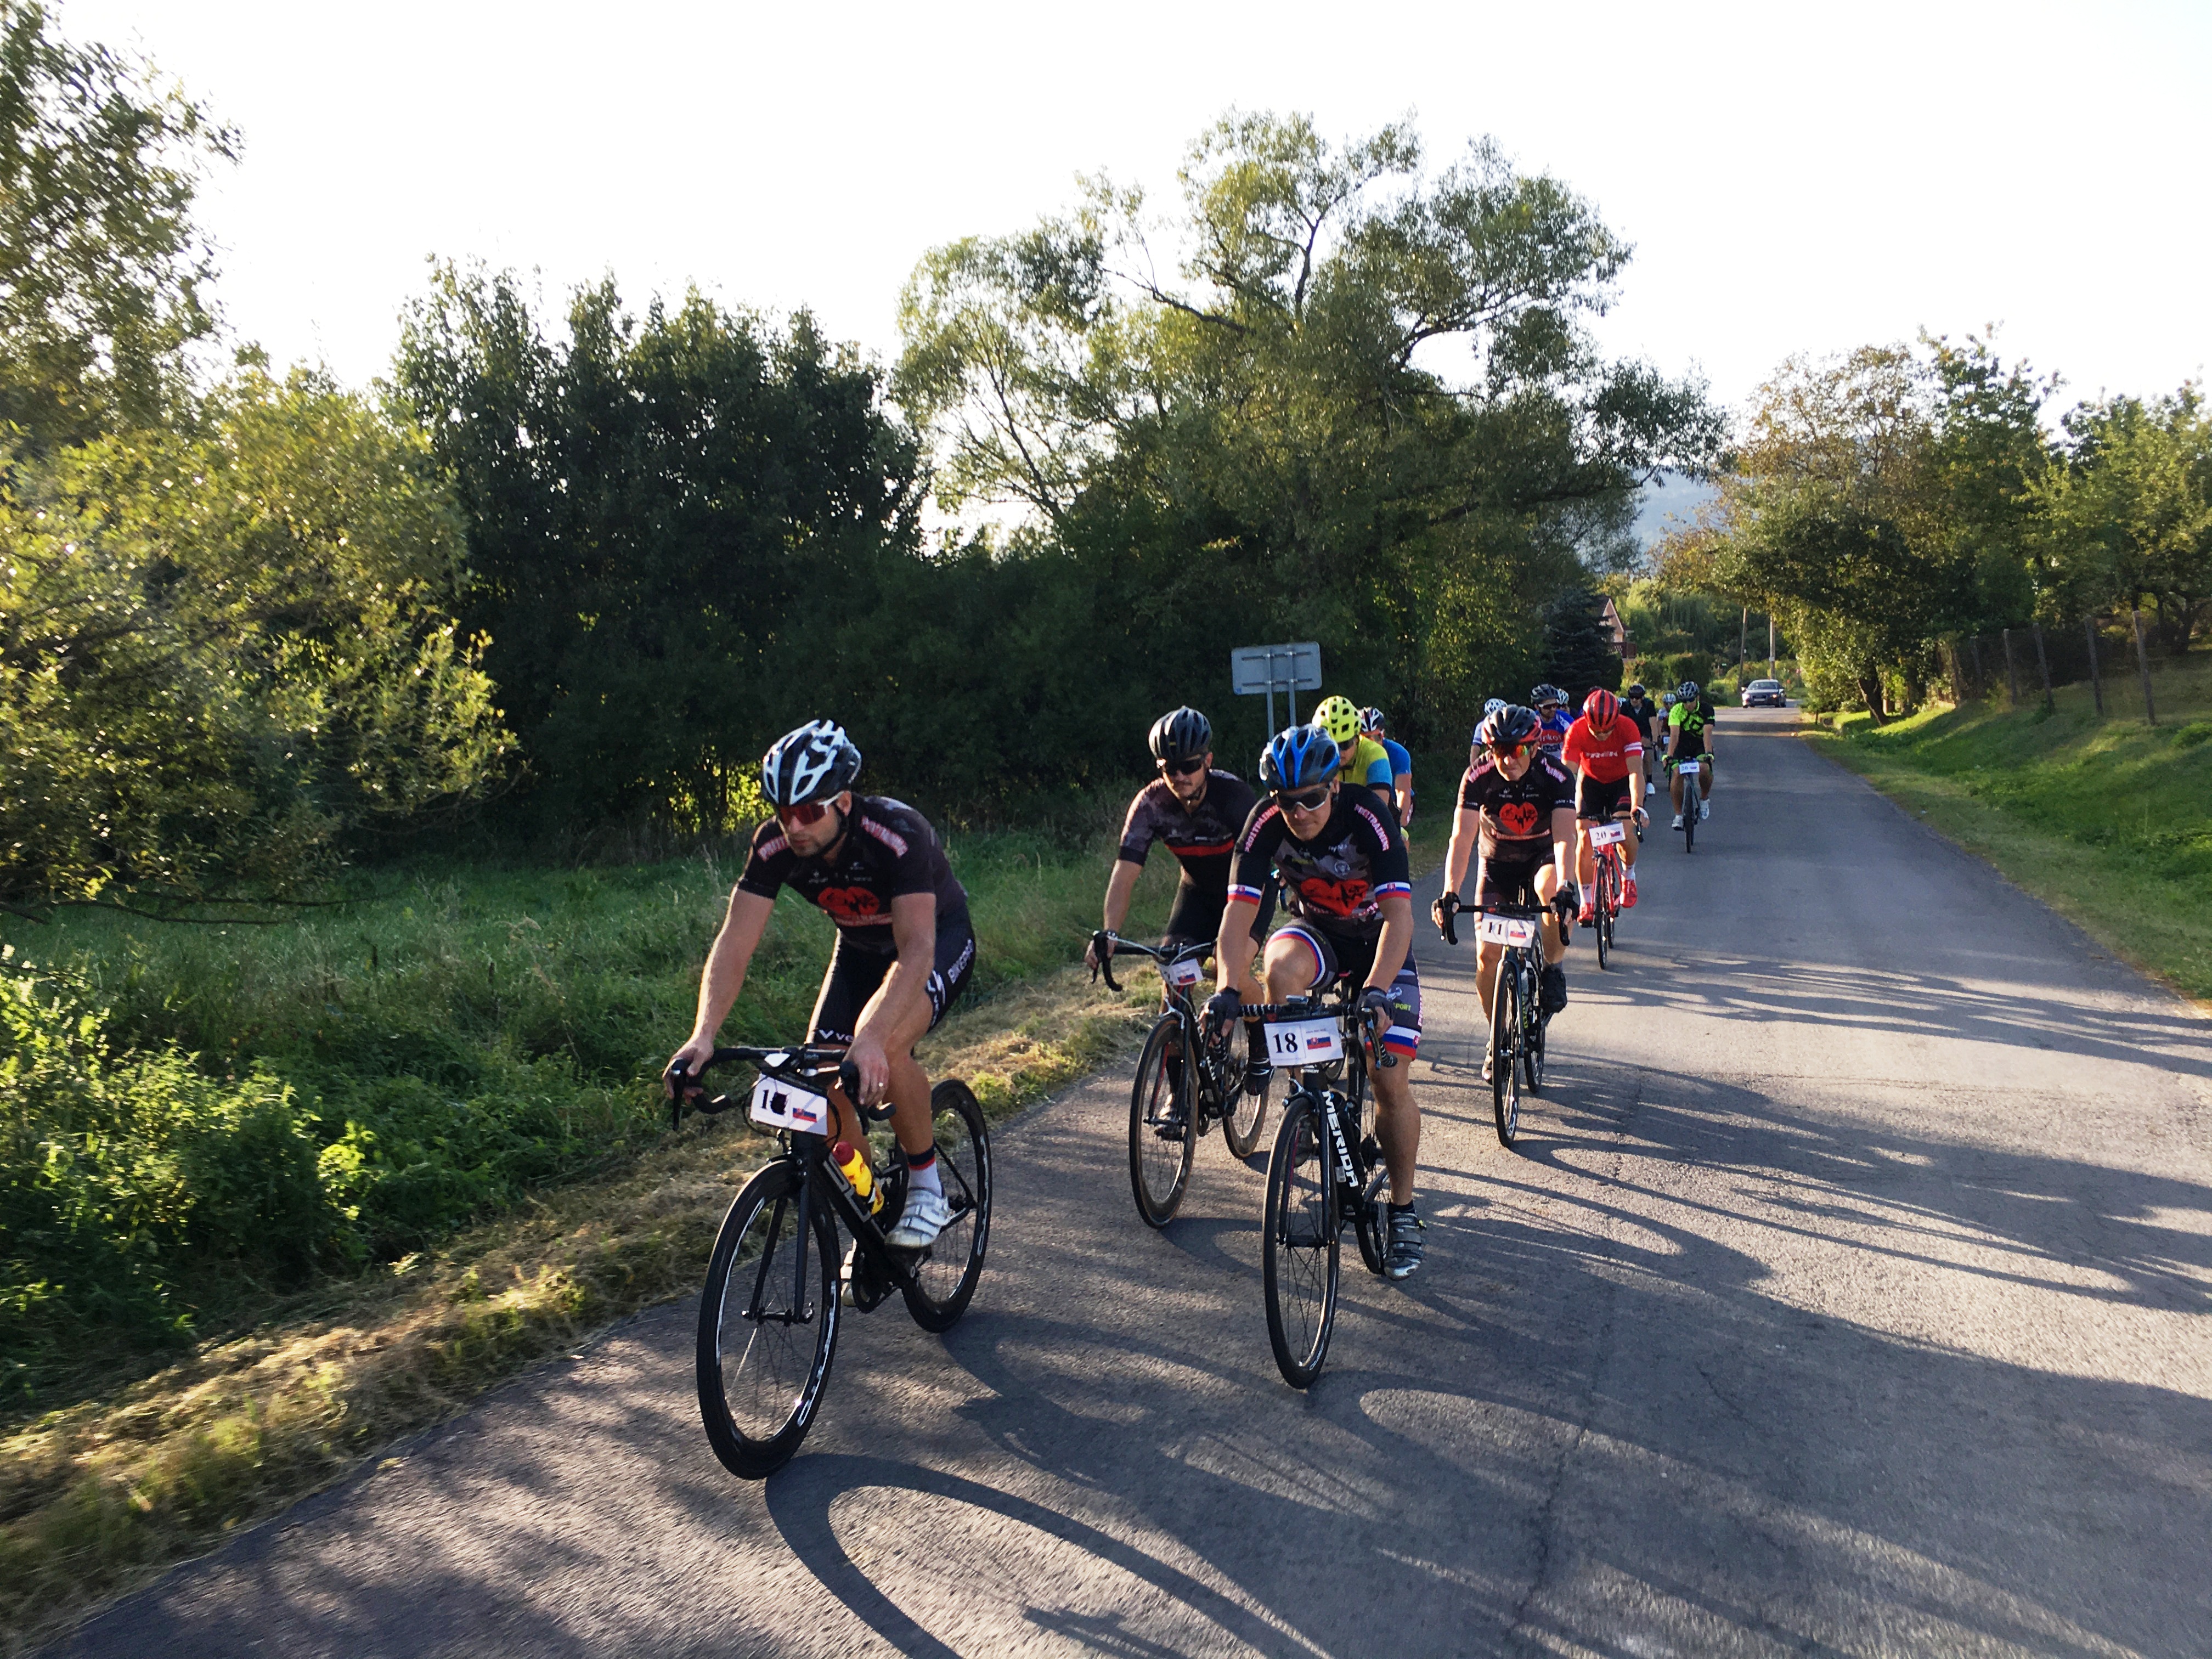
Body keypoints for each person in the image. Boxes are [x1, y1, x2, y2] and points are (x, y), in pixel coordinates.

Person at [664, 721, 975, 1250]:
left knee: (886, 1046)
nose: (794, 826)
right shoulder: (774, 847)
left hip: (934, 942)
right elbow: (735, 942)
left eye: (809, 812)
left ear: (844, 803)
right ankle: (870, 1207)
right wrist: (704, 1034)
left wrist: (871, 1036)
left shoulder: (896, 834)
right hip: (859, 950)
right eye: (783, 812)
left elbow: (917, 951)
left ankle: (927, 1186)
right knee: (822, 1079)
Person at [1206, 724, 1426, 1279]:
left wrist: (1377, 989)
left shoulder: (1368, 816)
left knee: (1387, 1079)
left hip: (1381, 943)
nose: (1298, 812)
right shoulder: (1263, 823)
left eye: (1310, 798)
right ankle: (1307, 1098)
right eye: (1286, 801)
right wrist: (1228, 988)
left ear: (1333, 787)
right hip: (1320, 933)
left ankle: (1403, 1210)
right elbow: (1238, 917)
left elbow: (1400, 917)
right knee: (1278, 968)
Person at [1087, 706, 1268, 1132]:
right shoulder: (1151, 803)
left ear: (1208, 760)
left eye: (1190, 766)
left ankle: (1260, 1041)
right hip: (1197, 893)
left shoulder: (1233, 797)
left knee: (1231, 968)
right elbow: (1125, 873)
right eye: (1170, 768)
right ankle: (1177, 1093)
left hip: (1247, 893)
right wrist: (1110, 932)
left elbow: (1265, 858)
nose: (1181, 776)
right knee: (1173, 979)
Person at [1434, 704, 1575, 1079]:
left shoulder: (1556, 775)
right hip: (1497, 862)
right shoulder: (1478, 776)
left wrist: (1567, 885)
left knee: (1551, 892)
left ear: (1535, 747)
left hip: (1542, 856)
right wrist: (1450, 891)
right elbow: (1461, 838)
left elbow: (1565, 837)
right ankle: (1496, 1036)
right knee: (1487, 956)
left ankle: (1552, 967)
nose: (1508, 760)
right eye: (1498, 750)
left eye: (1517, 750)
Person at [1560, 687, 1645, 918]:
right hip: (1591, 782)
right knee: (1584, 836)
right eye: (1596, 731)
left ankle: (1629, 876)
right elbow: (1567, 774)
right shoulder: (1576, 730)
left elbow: (1636, 772)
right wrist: (1562, 807)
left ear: (1616, 722)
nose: (1602, 735)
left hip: (1621, 782)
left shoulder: (1628, 727)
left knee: (1625, 829)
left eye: (1607, 730)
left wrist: (1637, 806)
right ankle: (1587, 901)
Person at [1313, 694, 1395, 793]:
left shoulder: (1375, 754)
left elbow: (1380, 801)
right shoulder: (1311, 756)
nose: (1338, 753)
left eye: (1344, 744)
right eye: (1330, 747)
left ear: (1357, 738)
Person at [1666, 679, 1718, 828]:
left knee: (1704, 768)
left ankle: (1704, 799)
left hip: (1699, 744)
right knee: (1677, 773)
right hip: (1681, 744)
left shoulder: (1707, 709)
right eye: (1684, 701)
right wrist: (1669, 756)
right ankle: (1678, 815)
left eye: (1691, 700)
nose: (1688, 704)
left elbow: (1707, 734)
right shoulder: (1676, 710)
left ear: (1698, 698)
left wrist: (1708, 754)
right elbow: (1674, 735)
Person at [1362, 706, 1414, 827]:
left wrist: (1399, 827)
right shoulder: (1351, 754)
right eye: (1366, 739)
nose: (1373, 743)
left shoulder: (1399, 754)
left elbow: (1403, 792)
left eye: (1377, 737)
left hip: (1395, 801)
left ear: (1383, 734)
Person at [1620, 682, 1661, 797]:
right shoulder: (1625, 706)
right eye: (1632, 697)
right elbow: (1621, 724)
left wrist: (1654, 741)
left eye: (1637, 698)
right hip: (1630, 731)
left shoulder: (1649, 705)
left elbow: (1653, 725)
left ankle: (1649, 782)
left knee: (1646, 752)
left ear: (1642, 698)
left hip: (1645, 731)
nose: (1634, 700)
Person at [1530, 685, 1573, 758]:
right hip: (1541, 760)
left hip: (1562, 760)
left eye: (1555, 705)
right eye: (1548, 707)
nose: (1553, 709)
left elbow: (1575, 746)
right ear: (1537, 707)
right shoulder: (1532, 721)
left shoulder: (1565, 720)